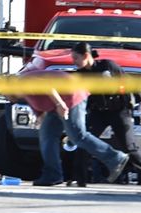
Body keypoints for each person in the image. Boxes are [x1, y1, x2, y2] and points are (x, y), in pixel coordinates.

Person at [14, 57, 129, 187]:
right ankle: (53, 175)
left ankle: (115, 157)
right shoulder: (23, 91)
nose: (9, 99)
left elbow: (47, 86)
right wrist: (40, 118)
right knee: (47, 136)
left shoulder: (23, 81)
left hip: (71, 95)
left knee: (78, 135)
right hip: (56, 104)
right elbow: (36, 102)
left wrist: (60, 104)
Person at [71, 42, 141, 189]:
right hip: (98, 111)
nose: (74, 62)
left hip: (119, 110)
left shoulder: (108, 66)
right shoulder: (80, 74)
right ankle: (80, 179)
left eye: (76, 58)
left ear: (86, 56)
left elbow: (129, 82)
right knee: (84, 141)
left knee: (129, 146)